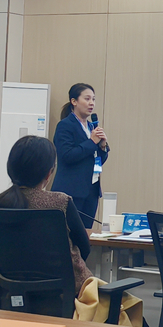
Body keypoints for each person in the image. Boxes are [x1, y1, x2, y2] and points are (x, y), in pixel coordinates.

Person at [0, 135, 93, 293]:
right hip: (70, 293)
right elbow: (85, 247)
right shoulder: (60, 202)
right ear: (48, 173)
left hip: (13, 292)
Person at [51, 83, 109, 229]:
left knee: (85, 234)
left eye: (93, 99)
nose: (91, 103)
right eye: (87, 99)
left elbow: (96, 161)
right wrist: (92, 142)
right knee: (68, 234)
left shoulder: (91, 127)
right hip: (71, 191)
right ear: (74, 101)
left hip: (91, 191)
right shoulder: (65, 125)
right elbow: (67, 156)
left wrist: (102, 147)